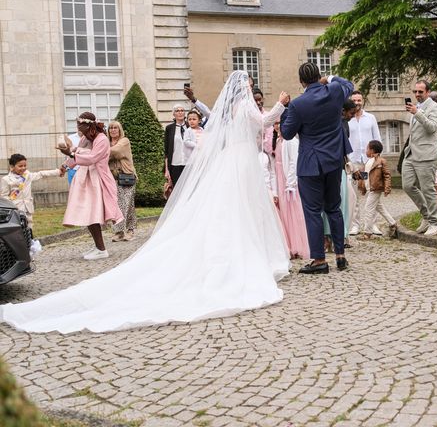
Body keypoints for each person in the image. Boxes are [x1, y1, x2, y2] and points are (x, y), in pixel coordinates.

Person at [0, 71, 290, 333]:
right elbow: (264, 121)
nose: (252, 88)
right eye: (250, 85)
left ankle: (244, 251)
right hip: (242, 160)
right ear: (244, 88)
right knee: (244, 208)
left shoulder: (229, 110)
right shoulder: (247, 105)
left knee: (233, 208)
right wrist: (280, 104)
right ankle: (248, 256)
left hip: (234, 160)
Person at [280, 62, 353, 274]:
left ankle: (319, 259)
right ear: (320, 76)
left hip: (310, 164)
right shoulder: (336, 91)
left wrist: (284, 109)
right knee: (333, 208)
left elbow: (286, 133)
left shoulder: (298, 104)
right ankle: (340, 255)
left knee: (312, 212)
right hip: (333, 160)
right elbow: (347, 83)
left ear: (301, 81)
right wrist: (329, 79)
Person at [57, 112, 123, 260]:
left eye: (80, 125)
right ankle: (98, 247)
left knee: (93, 213)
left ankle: (101, 249)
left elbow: (92, 159)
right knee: (87, 213)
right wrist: (64, 166)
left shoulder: (102, 140)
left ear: (88, 125)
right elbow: (74, 157)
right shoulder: (84, 139)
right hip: (84, 179)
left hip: (96, 179)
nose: (78, 128)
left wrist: (72, 154)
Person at [402, 80, 437, 236]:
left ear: (427, 92)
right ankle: (426, 216)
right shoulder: (416, 107)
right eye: (415, 92)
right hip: (411, 153)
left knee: (427, 189)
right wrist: (416, 112)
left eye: (420, 92)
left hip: (427, 155)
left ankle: (434, 222)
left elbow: (432, 127)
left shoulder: (434, 107)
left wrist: (416, 113)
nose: (417, 94)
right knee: (407, 185)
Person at [324, 99, 358, 252]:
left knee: (340, 203)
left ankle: (335, 236)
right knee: (338, 204)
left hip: (339, 167)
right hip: (336, 167)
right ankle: (334, 237)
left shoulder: (342, 123)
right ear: (343, 111)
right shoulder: (341, 123)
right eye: (351, 113)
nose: (352, 116)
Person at [272, 120, 309, 260]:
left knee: (292, 212)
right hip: (278, 177)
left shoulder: (291, 141)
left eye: (279, 123)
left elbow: (294, 162)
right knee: (283, 212)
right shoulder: (278, 141)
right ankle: (286, 244)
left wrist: (291, 183)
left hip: (287, 179)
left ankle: (296, 246)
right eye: (275, 123)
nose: (277, 126)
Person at [347, 91, 382, 236]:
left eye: (359, 100)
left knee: (371, 193)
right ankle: (355, 224)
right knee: (354, 195)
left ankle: (372, 224)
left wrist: (377, 159)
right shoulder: (347, 120)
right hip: (354, 162)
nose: (357, 103)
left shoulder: (371, 118)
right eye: (354, 100)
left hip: (369, 163)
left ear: (362, 101)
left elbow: (377, 139)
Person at [0, 154, 63, 229]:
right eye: (20, 166)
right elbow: (4, 196)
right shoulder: (6, 179)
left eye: (25, 165)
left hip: (28, 208)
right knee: (18, 230)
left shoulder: (27, 175)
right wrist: (12, 207)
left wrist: (58, 171)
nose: (23, 168)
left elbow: (41, 174)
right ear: (12, 167)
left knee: (29, 228)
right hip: (16, 210)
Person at [355, 140, 396, 240]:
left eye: (367, 148)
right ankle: (393, 223)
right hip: (370, 189)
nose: (366, 151)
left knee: (368, 209)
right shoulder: (368, 162)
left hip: (376, 189)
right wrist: (357, 178)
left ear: (372, 150)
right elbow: (365, 175)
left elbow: (387, 175)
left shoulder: (381, 161)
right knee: (380, 208)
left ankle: (367, 233)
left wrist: (387, 188)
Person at [107, 121, 137, 242]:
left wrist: (101, 152)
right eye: (111, 128)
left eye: (116, 128)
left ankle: (126, 230)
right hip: (112, 178)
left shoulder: (124, 141)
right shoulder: (107, 143)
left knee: (125, 204)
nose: (113, 130)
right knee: (119, 205)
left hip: (126, 176)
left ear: (120, 130)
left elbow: (116, 151)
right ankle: (122, 231)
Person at [164, 104, 188, 187]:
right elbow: (166, 150)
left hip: (189, 164)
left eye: (182, 110)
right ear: (174, 114)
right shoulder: (169, 128)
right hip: (175, 164)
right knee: (176, 189)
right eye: (177, 111)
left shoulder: (190, 126)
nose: (180, 112)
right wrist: (166, 169)